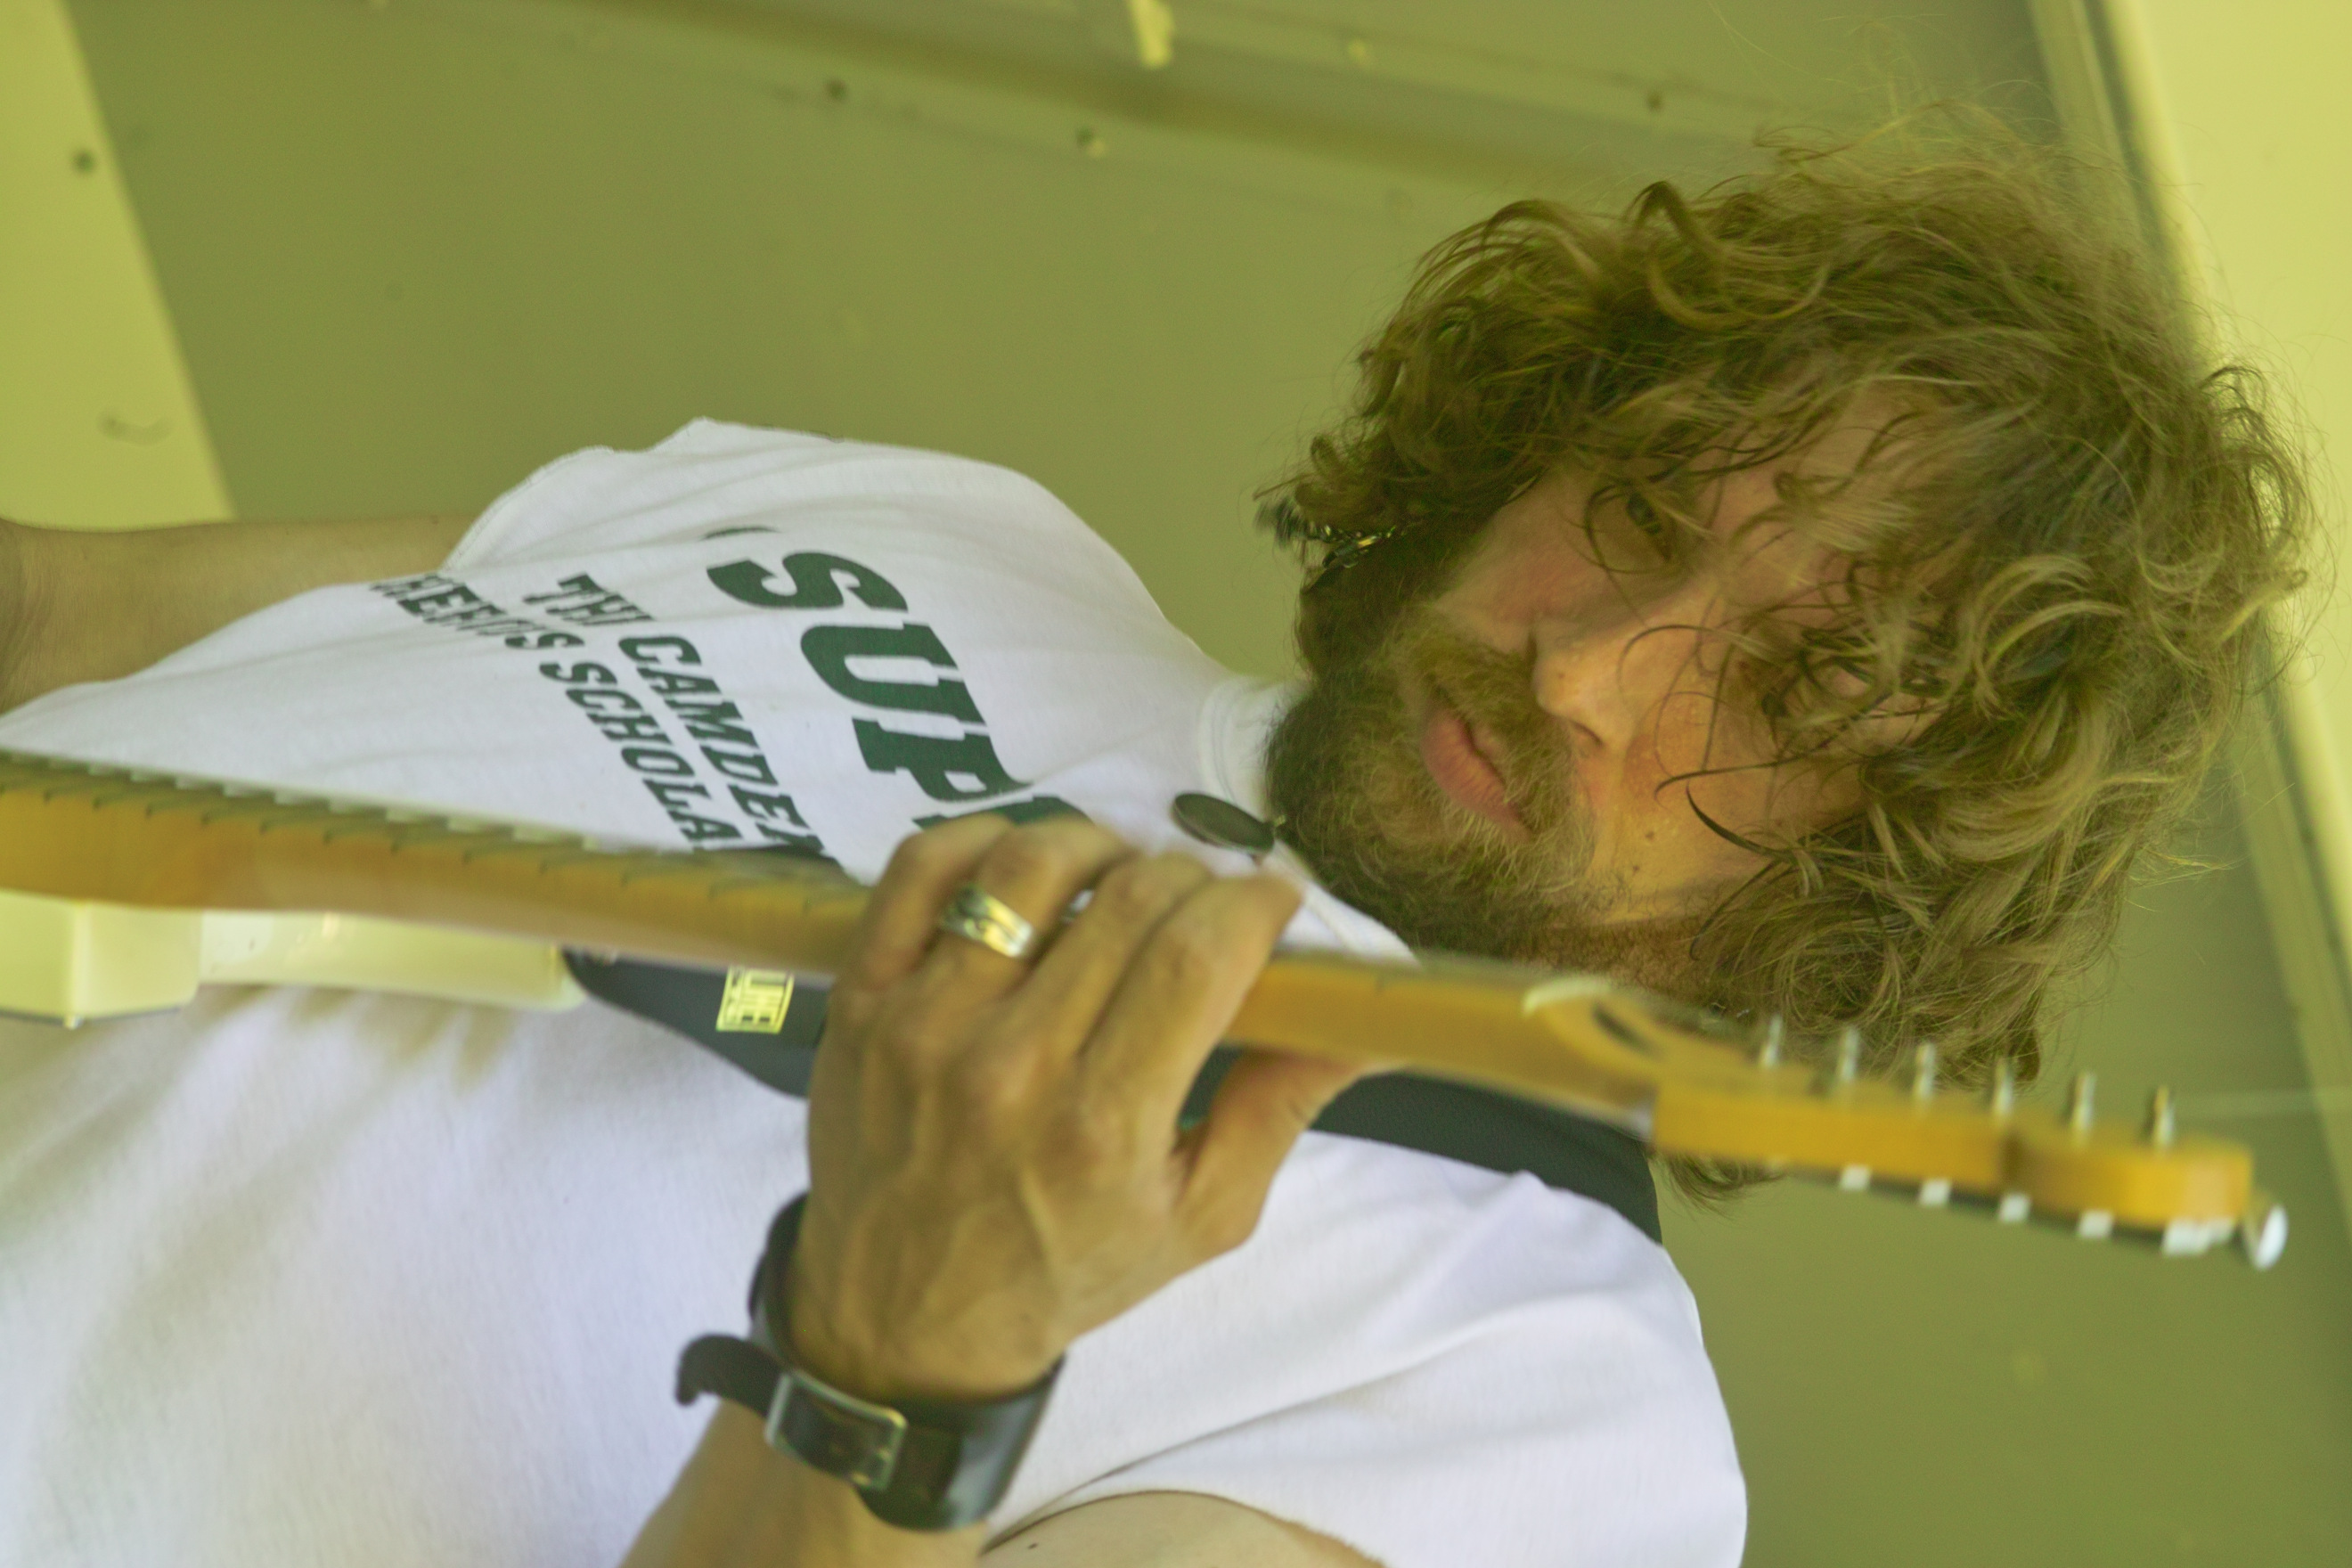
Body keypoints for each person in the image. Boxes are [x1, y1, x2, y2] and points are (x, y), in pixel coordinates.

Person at [0, 116, 2307, 1568]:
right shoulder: (943, 526)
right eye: (1631, 515)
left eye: (1780, 695)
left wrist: (897, 1363)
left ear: (1872, 879)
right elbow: (64, 619)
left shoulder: (1548, 1407)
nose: (1593, 673)